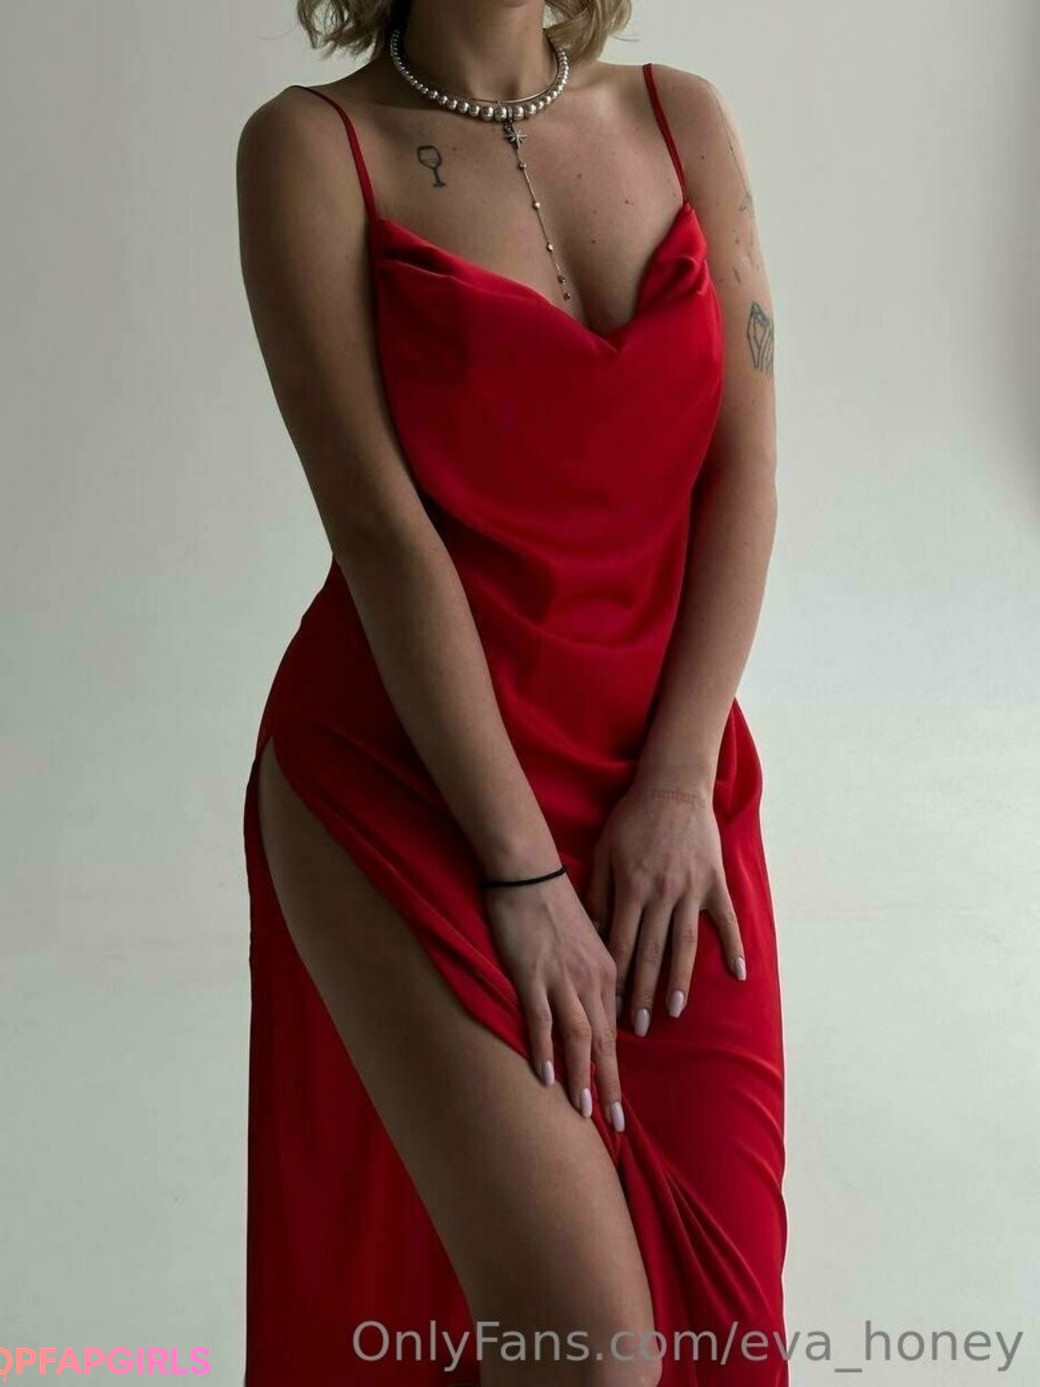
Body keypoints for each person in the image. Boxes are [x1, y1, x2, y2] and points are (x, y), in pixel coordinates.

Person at [236, 1, 785, 1383]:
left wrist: (679, 782)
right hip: (413, 783)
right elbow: (380, 530)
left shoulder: (682, 119)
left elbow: (746, 471)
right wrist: (521, 870)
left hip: (666, 790)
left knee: (724, 1344)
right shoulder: (313, 149)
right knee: (590, 1353)